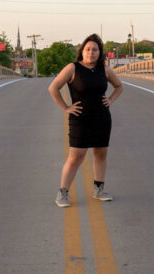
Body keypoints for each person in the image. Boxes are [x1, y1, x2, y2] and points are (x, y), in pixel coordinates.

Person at [48, 34, 123, 208]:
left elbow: (119, 86)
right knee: (76, 156)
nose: (91, 53)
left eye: (95, 50)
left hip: (102, 118)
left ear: (100, 52)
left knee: (100, 154)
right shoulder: (72, 68)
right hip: (80, 119)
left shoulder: (104, 69)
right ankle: (63, 193)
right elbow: (53, 88)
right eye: (88, 49)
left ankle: (99, 189)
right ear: (82, 51)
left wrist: (110, 100)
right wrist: (66, 108)